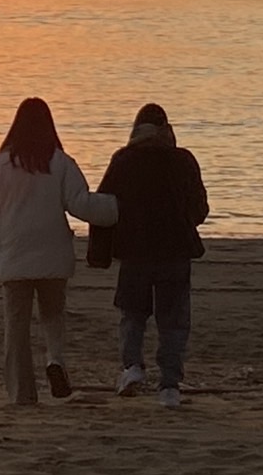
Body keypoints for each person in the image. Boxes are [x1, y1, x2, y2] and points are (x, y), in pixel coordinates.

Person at [0, 97, 117, 405]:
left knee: (16, 327)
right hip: (53, 254)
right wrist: (118, 209)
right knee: (53, 314)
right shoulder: (61, 162)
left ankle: (22, 392)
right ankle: (55, 359)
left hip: (13, 256)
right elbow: (81, 204)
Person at [87, 102, 209, 409]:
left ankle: (132, 368)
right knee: (173, 321)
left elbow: (104, 206)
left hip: (135, 251)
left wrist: (101, 250)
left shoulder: (124, 160)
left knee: (132, 314)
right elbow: (200, 210)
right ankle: (169, 385)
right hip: (175, 251)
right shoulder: (183, 161)